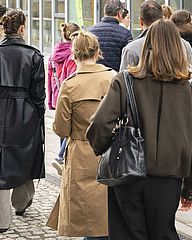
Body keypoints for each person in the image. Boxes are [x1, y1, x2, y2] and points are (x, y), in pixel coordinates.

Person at [87, 19, 192, 240]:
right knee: (163, 233)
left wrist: (103, 149)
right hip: (168, 176)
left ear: (146, 44)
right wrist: (190, 187)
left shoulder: (125, 80)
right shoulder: (187, 90)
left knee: (127, 233)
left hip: (128, 170)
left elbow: (99, 124)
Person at [46, 30, 115, 240]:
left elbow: (60, 129)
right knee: (108, 210)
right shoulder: (114, 78)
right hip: (111, 151)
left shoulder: (70, 84)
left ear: (74, 56)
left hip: (81, 152)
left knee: (86, 214)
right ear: (98, 53)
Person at [0, 9, 46, 234]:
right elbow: (39, 93)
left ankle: (1, 220)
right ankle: (21, 203)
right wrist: (39, 113)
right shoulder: (34, 55)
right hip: (25, 113)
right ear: (22, 28)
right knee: (25, 155)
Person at [120, 0, 192, 71]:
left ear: (141, 21)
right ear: (162, 18)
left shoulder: (131, 49)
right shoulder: (183, 44)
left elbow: (124, 82)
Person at [48, 22, 81, 175]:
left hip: (56, 94)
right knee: (70, 127)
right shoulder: (73, 54)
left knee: (62, 126)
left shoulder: (54, 54)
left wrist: (50, 101)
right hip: (69, 94)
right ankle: (61, 157)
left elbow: (49, 78)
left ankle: (62, 159)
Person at [88, 0, 132, 71]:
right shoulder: (125, 33)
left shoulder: (89, 31)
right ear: (119, 13)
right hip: (116, 78)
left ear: (104, 13)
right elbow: (129, 61)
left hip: (94, 76)